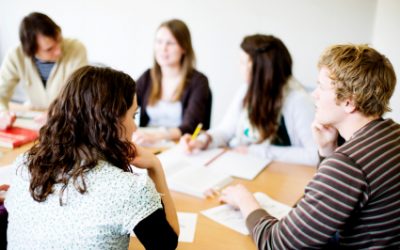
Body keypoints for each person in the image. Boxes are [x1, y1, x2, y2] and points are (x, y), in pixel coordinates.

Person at [219, 44, 400, 249]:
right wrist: (327, 150)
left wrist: (245, 200)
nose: (314, 94)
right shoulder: (392, 134)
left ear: (349, 103)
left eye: (321, 87)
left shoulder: (349, 165)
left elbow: (278, 244)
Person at [4, 66, 179, 249]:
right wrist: (155, 167)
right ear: (111, 120)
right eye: (133, 116)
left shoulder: (25, 165)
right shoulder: (130, 189)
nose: (135, 128)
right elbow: (166, 245)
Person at [181, 34, 318, 166]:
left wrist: (257, 151)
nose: (239, 68)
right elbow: (226, 130)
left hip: (282, 175)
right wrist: (202, 141)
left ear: (260, 69)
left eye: (243, 62)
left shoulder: (298, 100)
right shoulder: (246, 90)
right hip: (246, 165)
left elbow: (314, 155)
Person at [0, 12, 88, 130]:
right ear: (30, 51)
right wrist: (2, 114)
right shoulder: (15, 56)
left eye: (59, 41)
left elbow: (79, 95)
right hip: (34, 117)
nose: (59, 51)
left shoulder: (76, 48)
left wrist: (56, 113)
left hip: (67, 119)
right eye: (49, 49)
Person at [133, 19, 212, 145]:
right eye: (159, 42)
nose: (163, 48)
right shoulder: (147, 77)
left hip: (180, 144)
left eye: (170, 43)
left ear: (184, 48)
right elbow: (125, 104)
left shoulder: (198, 81)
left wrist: (158, 136)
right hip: (147, 143)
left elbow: (190, 126)